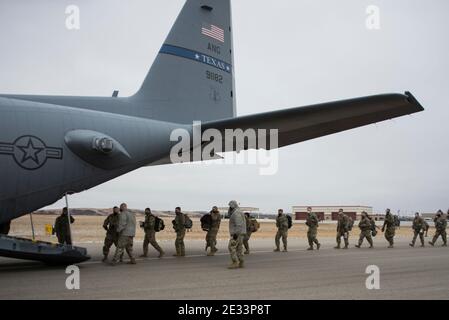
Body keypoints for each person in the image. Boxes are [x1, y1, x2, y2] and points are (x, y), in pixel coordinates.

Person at [228, 200, 246, 269]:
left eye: (230, 206)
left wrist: (235, 234)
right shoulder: (238, 211)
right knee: (239, 248)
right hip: (240, 233)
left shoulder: (237, 213)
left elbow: (239, 225)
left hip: (237, 234)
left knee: (231, 247)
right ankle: (241, 262)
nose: (229, 208)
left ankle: (235, 262)